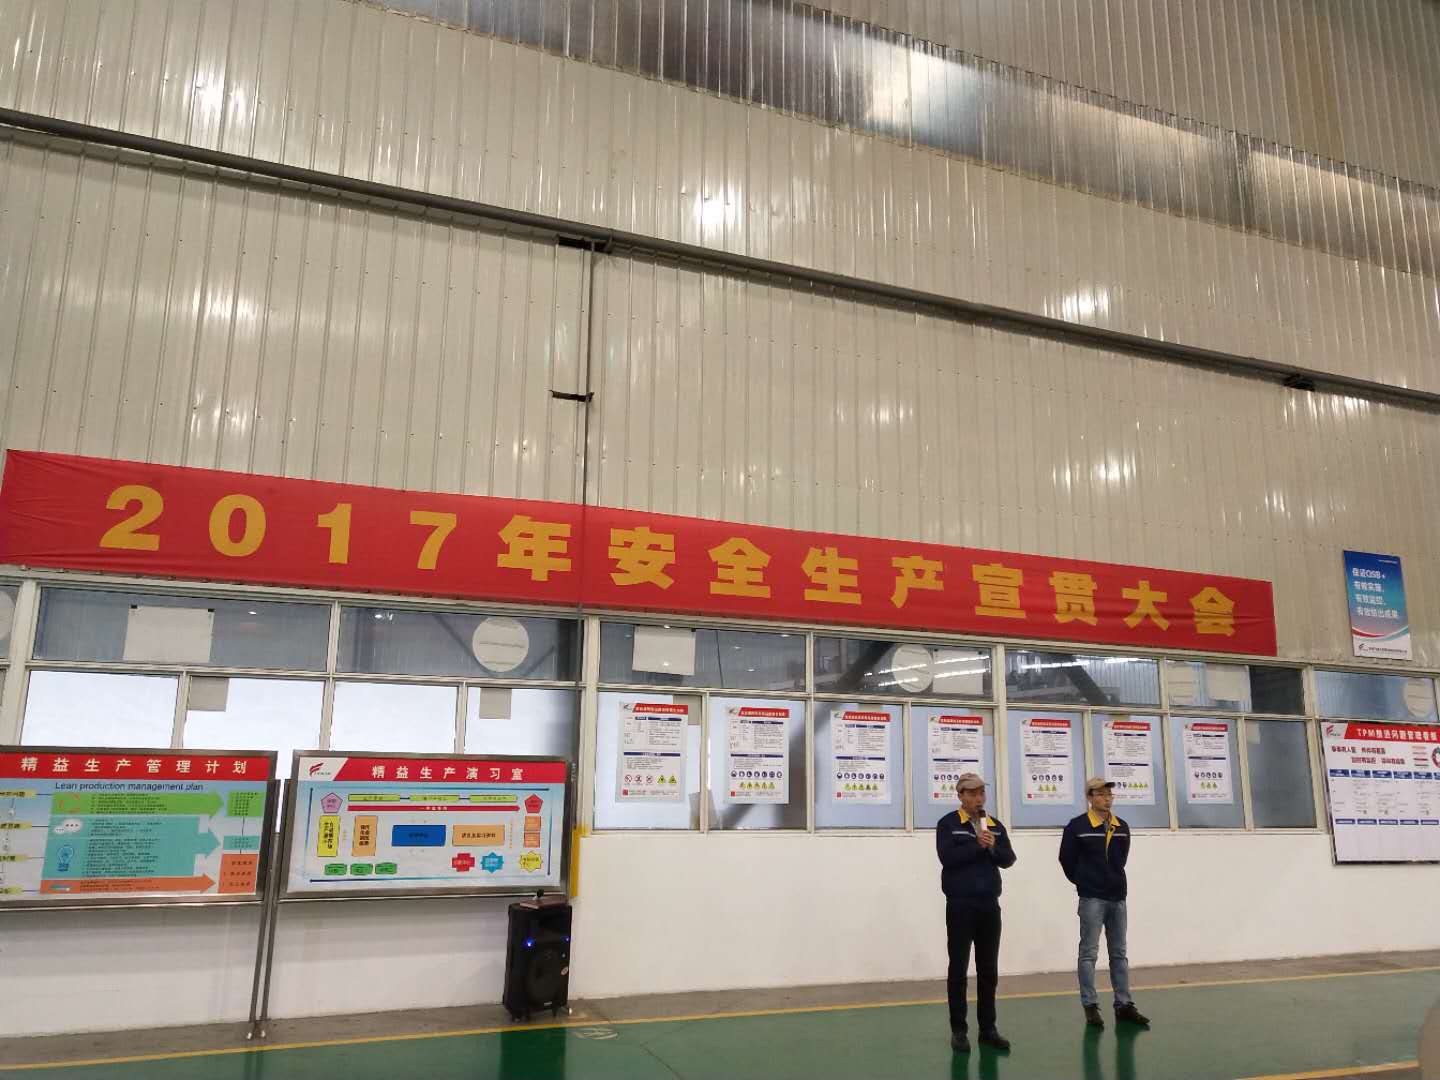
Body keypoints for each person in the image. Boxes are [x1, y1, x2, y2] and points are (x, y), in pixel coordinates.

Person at [1058, 777, 1151, 1029]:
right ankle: (1090, 1005)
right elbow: (1066, 860)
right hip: (1092, 898)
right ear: (1090, 797)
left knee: (1119, 953)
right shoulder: (1077, 827)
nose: (1106, 798)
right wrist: (1084, 881)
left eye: (1109, 794)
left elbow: (1121, 859)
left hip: (1118, 897)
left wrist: (1112, 881)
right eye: (1100, 794)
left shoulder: (1121, 827)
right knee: (1088, 953)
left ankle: (1124, 1004)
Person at [936, 772, 1017, 1053]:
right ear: (960, 796)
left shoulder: (994, 825)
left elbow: (1009, 859)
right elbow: (947, 858)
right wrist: (976, 845)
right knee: (958, 968)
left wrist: (993, 846)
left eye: (981, 792)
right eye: (971, 793)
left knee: (988, 970)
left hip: (989, 906)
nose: (978, 798)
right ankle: (959, 1030)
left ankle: (988, 1029)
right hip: (960, 905)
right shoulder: (948, 824)